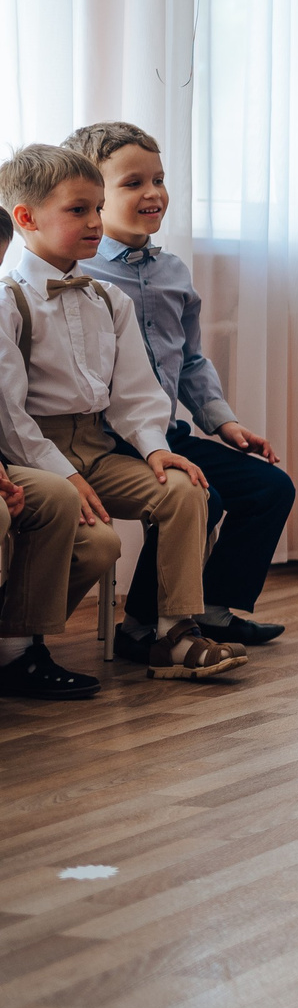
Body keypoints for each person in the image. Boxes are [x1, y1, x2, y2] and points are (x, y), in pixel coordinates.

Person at [0, 145, 234, 683]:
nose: (95, 222)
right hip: (35, 452)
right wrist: (63, 474)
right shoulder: (11, 300)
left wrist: (156, 447)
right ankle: (16, 642)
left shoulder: (108, 298)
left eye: (98, 208)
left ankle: (173, 634)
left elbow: (135, 393)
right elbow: (9, 414)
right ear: (26, 218)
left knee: (185, 490)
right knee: (99, 543)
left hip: (98, 446)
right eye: (77, 210)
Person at [67, 123, 297, 654]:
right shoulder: (77, 273)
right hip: (108, 440)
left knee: (269, 489)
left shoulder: (173, 272)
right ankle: (142, 627)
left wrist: (223, 420)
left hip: (168, 433)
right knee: (202, 496)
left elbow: (191, 359)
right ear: (95, 195)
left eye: (160, 179)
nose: (153, 194)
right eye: (132, 183)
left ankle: (212, 609)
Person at [0, 210, 116, 701]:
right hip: (26, 447)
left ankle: (16, 649)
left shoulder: (104, 299)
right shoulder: (14, 300)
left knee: (99, 542)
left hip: (26, 455)